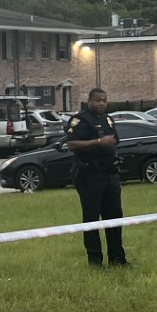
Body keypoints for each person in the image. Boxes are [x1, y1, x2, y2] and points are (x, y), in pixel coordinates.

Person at [65, 87, 128, 269]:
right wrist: (98, 142)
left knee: (115, 217)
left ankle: (118, 259)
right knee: (92, 219)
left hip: (110, 174)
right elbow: (72, 145)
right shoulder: (80, 120)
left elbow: (115, 140)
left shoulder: (108, 119)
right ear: (90, 101)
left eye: (104, 100)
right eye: (98, 100)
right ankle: (95, 262)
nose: (102, 103)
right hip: (90, 175)